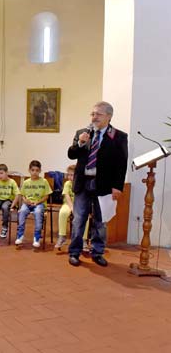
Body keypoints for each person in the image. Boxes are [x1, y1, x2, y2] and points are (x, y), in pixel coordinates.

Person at [67, 101, 128, 267]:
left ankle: (97, 252)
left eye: (98, 114)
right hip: (83, 183)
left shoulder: (119, 136)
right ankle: (74, 252)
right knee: (79, 220)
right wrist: (79, 143)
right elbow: (71, 155)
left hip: (104, 186)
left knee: (100, 222)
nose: (94, 117)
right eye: (92, 114)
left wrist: (117, 186)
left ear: (108, 116)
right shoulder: (82, 133)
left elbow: (121, 164)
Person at [15, 160, 52, 248]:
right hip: (28, 204)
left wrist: (37, 202)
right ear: (29, 170)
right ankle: (20, 236)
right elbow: (22, 195)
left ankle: (37, 237)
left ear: (40, 171)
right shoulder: (26, 182)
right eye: (33, 170)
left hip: (39, 204)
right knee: (22, 211)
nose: (34, 172)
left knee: (38, 212)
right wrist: (26, 201)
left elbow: (46, 196)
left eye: (37, 170)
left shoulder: (44, 181)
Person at [55, 165, 90, 250]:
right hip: (68, 204)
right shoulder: (67, 183)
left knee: (86, 217)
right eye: (69, 175)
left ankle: (84, 239)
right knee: (63, 212)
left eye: (72, 175)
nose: (70, 177)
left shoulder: (81, 183)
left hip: (79, 205)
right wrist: (72, 207)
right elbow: (67, 196)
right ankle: (62, 236)